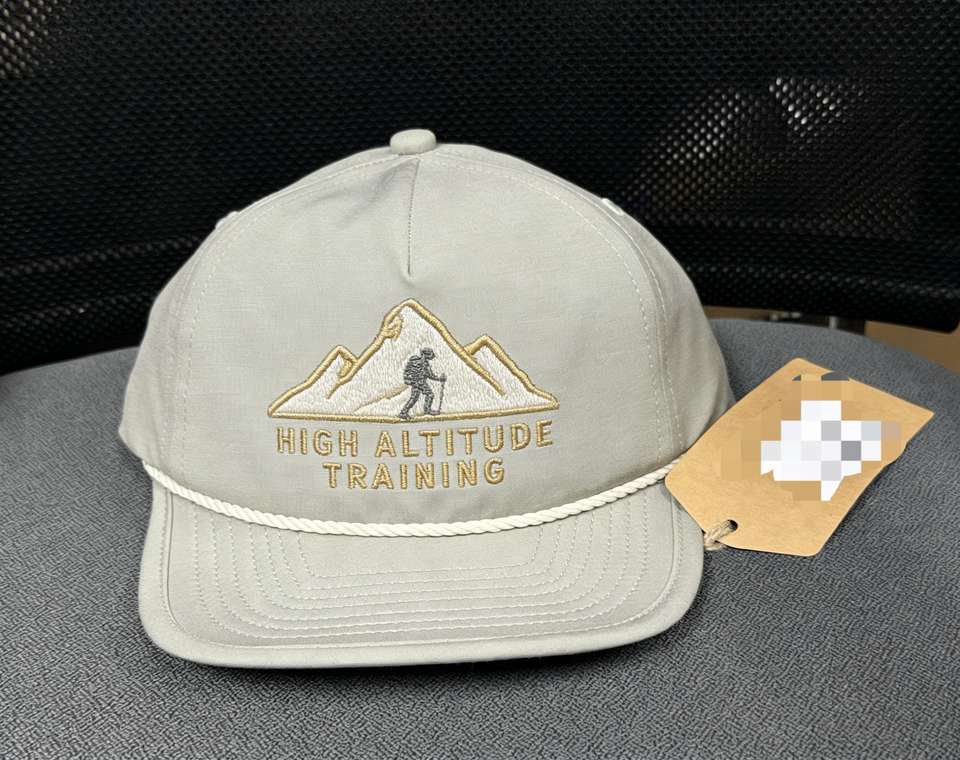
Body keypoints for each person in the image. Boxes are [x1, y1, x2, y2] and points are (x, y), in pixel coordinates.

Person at [399, 348, 446, 419]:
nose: (432, 356)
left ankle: (403, 412)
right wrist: (440, 379)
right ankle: (427, 410)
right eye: (431, 355)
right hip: (420, 383)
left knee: (414, 398)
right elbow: (430, 375)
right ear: (426, 355)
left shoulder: (415, 361)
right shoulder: (424, 364)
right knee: (430, 394)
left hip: (415, 383)